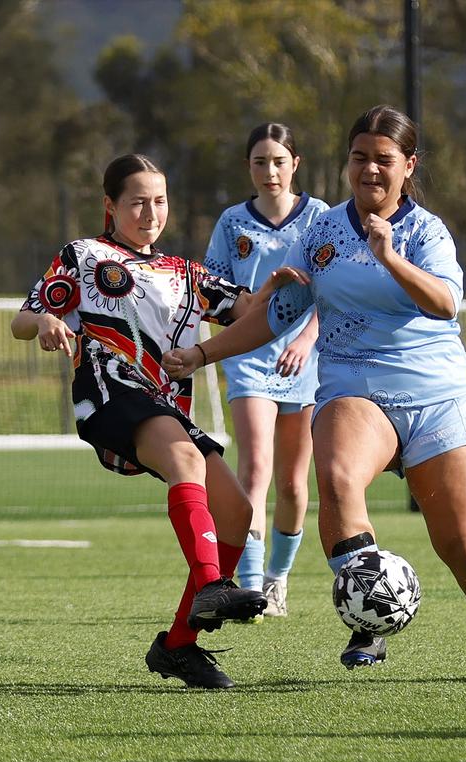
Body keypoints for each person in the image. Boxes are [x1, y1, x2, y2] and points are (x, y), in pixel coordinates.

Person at [163, 105, 466, 683]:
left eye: (384, 160)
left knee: (463, 547)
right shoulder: (324, 231)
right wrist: (205, 352)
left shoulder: (426, 232)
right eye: (359, 158)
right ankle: (371, 610)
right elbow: (280, 313)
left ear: (408, 166)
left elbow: (444, 303)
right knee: (335, 476)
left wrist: (389, 256)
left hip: (437, 396)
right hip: (354, 386)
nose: (370, 170)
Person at [11, 153, 307, 689]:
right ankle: (212, 584)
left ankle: (177, 646)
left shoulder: (186, 274)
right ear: (110, 205)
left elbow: (245, 310)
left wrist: (276, 293)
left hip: (163, 406)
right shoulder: (84, 255)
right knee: (186, 461)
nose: (151, 212)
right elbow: (21, 319)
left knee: (238, 512)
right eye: (137, 201)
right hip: (109, 393)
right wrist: (49, 319)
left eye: (160, 200)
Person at [203, 123, 329, 618]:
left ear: (295, 164)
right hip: (250, 361)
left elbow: (333, 289)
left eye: (278, 161)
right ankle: (250, 587)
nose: (270, 171)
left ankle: (278, 579)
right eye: (260, 162)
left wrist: (304, 337)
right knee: (254, 469)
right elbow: (216, 294)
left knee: (295, 484)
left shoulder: (320, 217)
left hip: (307, 360)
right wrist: (251, 308)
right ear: (248, 168)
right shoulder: (233, 222)